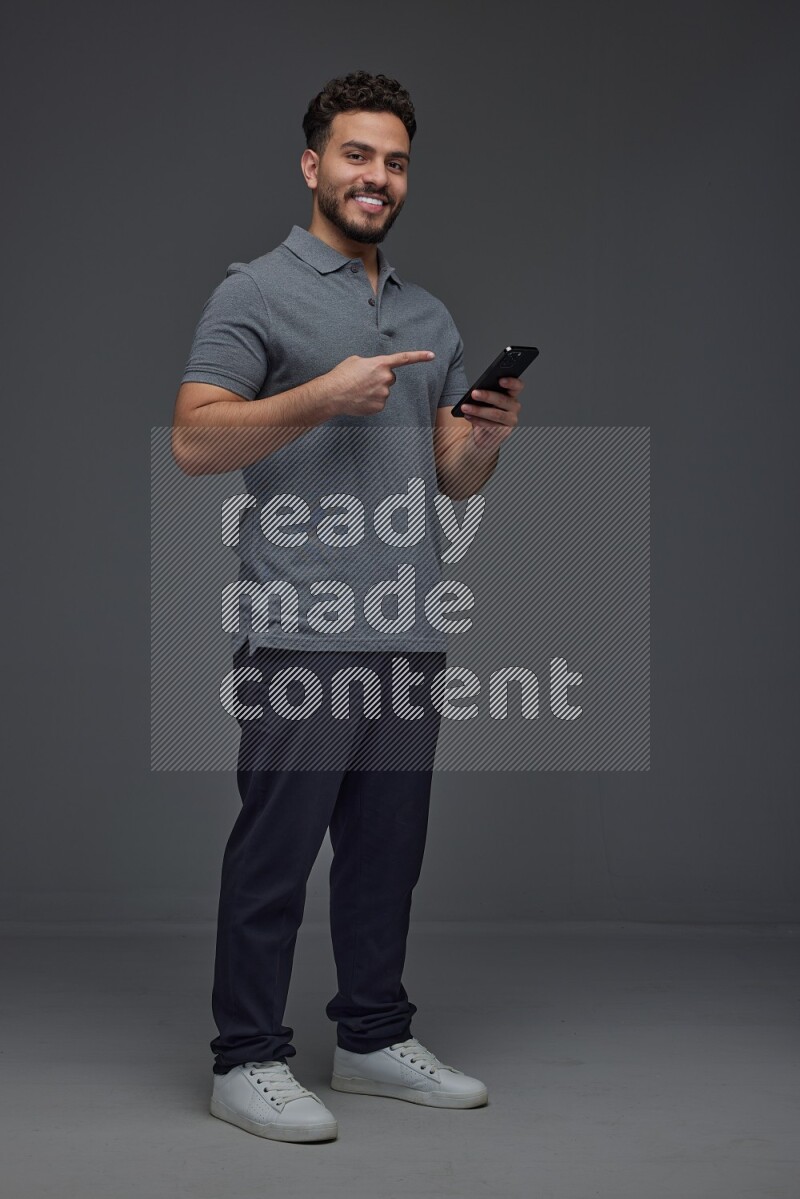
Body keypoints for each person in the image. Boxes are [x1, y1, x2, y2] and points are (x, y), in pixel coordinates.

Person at [172, 70, 523, 1144]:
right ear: (313, 164)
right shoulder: (255, 293)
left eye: (396, 160)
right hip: (300, 627)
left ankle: (371, 1036)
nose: (378, 176)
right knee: (275, 851)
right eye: (358, 155)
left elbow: (449, 481)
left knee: (386, 852)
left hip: (408, 629)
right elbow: (195, 438)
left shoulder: (425, 313)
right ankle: (245, 1056)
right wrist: (324, 392)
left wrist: (485, 432)